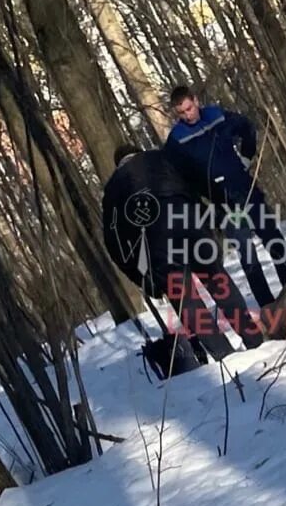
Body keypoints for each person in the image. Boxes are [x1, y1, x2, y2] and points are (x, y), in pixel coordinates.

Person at [101, 144, 263, 360]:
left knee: (187, 300)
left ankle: (225, 355)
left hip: (158, 244)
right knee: (217, 280)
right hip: (190, 225)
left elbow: (115, 243)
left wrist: (143, 279)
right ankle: (253, 338)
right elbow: (198, 183)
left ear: (118, 164)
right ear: (139, 152)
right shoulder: (162, 158)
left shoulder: (113, 189)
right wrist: (214, 220)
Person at [164, 85, 286, 307]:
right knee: (247, 252)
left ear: (196, 100)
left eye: (189, 108)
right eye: (182, 113)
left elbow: (246, 127)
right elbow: (177, 178)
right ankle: (267, 305)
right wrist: (202, 202)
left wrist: (246, 157)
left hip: (246, 190)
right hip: (223, 204)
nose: (188, 115)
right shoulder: (177, 140)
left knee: (273, 238)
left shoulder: (217, 116)